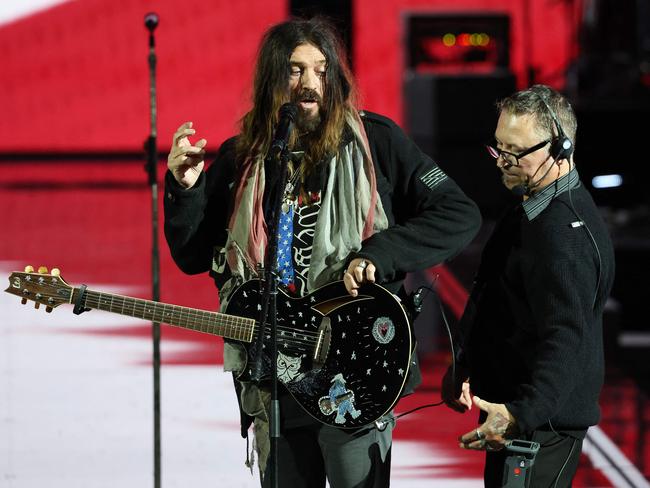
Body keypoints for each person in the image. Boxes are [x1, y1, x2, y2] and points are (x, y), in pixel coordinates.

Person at [164, 17, 481, 488]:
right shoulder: (245, 157)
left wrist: (380, 253)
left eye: (321, 70)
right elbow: (192, 256)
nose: (309, 84)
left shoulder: (377, 142)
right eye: (295, 71)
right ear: (273, 79)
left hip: (356, 370)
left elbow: (459, 213)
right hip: (277, 375)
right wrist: (185, 190)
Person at [441, 84, 615, 487]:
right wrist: (467, 359)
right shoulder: (533, 210)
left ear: (561, 149)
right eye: (498, 148)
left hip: (539, 425)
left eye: (515, 152)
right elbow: (495, 295)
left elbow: (566, 338)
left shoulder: (563, 234)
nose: (502, 161)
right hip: (521, 414)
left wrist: (522, 413)